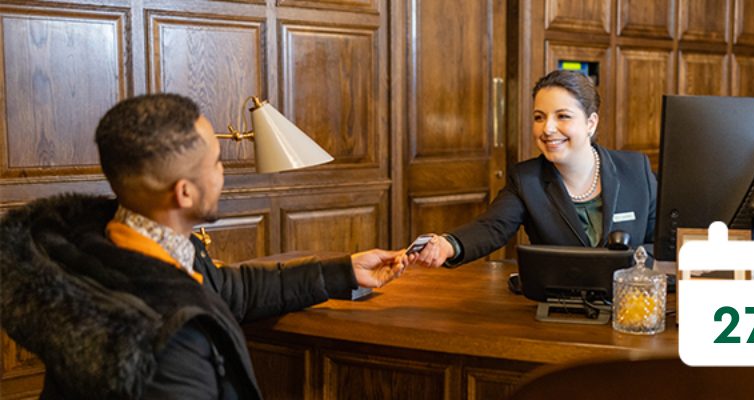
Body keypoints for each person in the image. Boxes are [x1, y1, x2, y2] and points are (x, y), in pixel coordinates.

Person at [0, 94, 406, 399]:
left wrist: (343, 272)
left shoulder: (102, 249)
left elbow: (226, 290)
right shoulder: (167, 342)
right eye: (216, 161)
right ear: (185, 193)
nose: (223, 170)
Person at [410, 70, 657, 268]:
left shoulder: (636, 169)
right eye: (539, 117)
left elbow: (663, 244)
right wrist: (449, 244)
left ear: (590, 123)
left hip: (631, 306)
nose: (547, 128)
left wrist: (633, 267)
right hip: (558, 310)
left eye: (563, 116)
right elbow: (492, 227)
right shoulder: (526, 179)